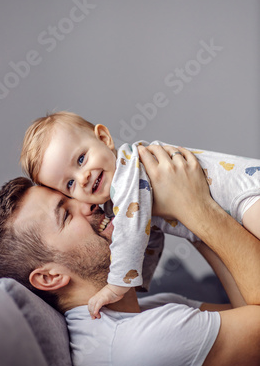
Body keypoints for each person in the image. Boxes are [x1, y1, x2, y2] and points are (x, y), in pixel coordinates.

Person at [0, 144, 260, 366]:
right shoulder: (136, 346)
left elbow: (249, 308)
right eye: (66, 215)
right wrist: (196, 209)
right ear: (49, 277)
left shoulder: (138, 315)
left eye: (71, 195)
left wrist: (186, 219)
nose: (89, 203)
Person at [20, 111, 260, 317]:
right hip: (226, 214)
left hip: (246, 192)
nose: (82, 178)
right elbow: (149, 234)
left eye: (81, 159)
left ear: (103, 138)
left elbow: (132, 234)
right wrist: (142, 277)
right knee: (246, 307)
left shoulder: (127, 176)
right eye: (70, 184)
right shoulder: (121, 199)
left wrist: (117, 286)